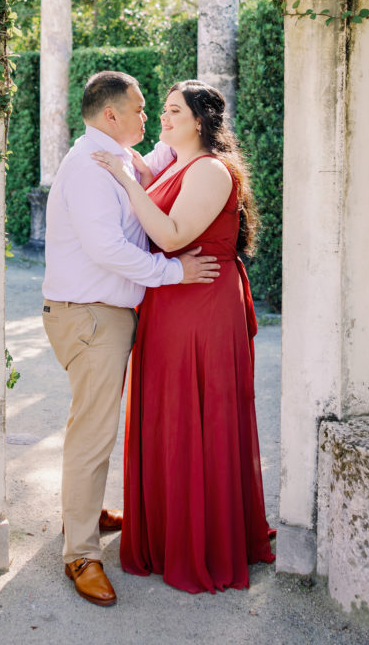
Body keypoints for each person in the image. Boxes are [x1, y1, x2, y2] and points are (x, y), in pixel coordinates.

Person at [42, 70, 220, 608]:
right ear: (112, 115)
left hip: (102, 312)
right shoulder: (89, 169)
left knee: (93, 425)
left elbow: (165, 162)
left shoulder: (114, 157)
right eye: (143, 110)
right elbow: (108, 251)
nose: (150, 119)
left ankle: (85, 507)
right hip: (90, 315)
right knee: (93, 432)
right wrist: (175, 275)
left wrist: (181, 135)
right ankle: (81, 554)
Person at [91, 79, 275, 594]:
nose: (163, 119)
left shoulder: (213, 170)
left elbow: (171, 235)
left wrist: (128, 185)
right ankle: (169, 526)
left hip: (203, 306)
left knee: (201, 413)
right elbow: (153, 175)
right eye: (164, 111)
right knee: (170, 414)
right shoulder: (177, 163)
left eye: (172, 112)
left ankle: (203, 540)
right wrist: (129, 166)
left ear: (200, 120)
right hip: (170, 302)